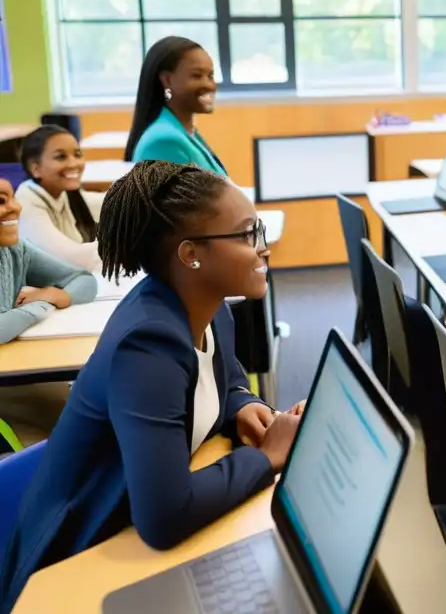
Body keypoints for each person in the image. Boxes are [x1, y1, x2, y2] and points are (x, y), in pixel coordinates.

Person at [0, 162, 303, 610]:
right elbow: (163, 517)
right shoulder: (148, 346)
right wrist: (266, 457)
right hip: (73, 557)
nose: (262, 250)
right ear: (190, 254)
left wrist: (242, 405)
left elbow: (228, 378)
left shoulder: (207, 306)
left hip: (124, 523)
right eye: (245, 235)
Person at [0, 175, 97, 451]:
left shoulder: (15, 249)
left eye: (12, 198)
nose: (15, 208)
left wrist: (50, 294)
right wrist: (41, 306)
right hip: (7, 386)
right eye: (1, 201)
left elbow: (84, 281)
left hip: (16, 374)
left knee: (87, 416)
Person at [125, 36, 227, 176]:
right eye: (197, 76)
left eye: (210, 76)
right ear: (167, 80)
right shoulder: (163, 142)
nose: (209, 85)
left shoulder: (185, 132)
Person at [15, 125, 104, 271]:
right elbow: (72, 260)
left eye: (77, 154)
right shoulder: (26, 203)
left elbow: (107, 203)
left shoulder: (62, 193)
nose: (74, 163)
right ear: (35, 168)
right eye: (61, 157)